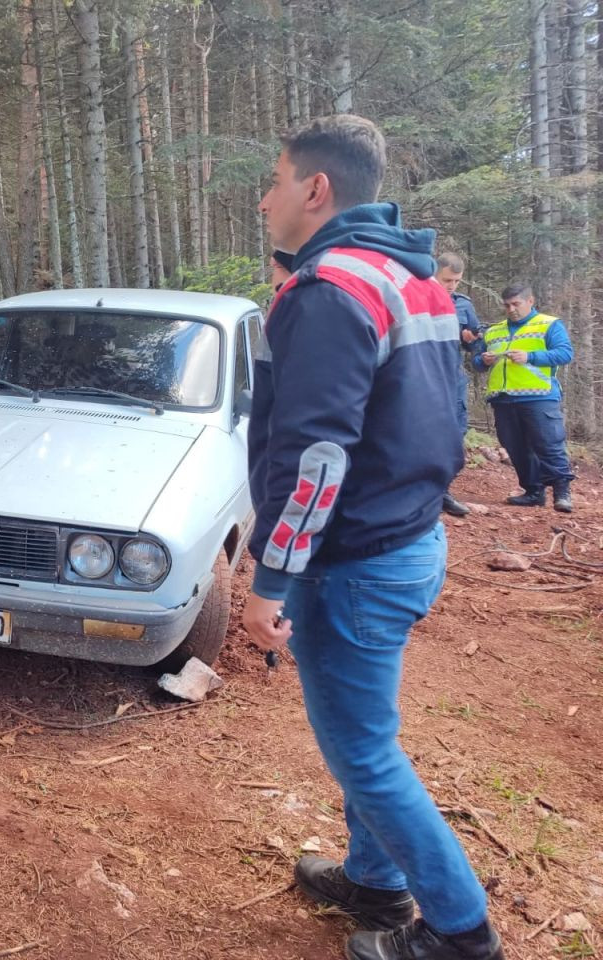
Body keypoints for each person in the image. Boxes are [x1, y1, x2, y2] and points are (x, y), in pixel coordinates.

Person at [248, 115, 504, 960]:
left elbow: (315, 459)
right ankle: (374, 880)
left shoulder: (331, 290)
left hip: (354, 562)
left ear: (316, 189)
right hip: (406, 540)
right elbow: (437, 417)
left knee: (363, 751)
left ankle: (461, 933)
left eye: (276, 180)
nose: (264, 198)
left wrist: (270, 580)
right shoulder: (408, 277)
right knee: (367, 735)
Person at [474, 282, 575, 512]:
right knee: (515, 446)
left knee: (549, 444)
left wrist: (530, 356)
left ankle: (562, 493)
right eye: (507, 305)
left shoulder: (549, 324)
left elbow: (565, 353)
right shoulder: (495, 330)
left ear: (530, 301)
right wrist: (484, 360)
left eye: (516, 304)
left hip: (539, 396)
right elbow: (477, 363)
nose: (511, 309)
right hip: (503, 397)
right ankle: (533, 491)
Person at [435, 252, 482, 517]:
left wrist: (472, 339)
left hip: (453, 375)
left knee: (455, 433)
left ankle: (442, 491)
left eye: (456, 281)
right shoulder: (416, 296)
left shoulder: (463, 305)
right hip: (424, 374)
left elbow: (474, 342)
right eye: (447, 279)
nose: (452, 286)